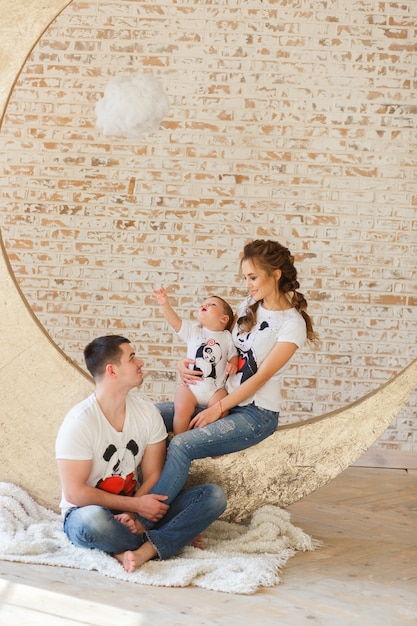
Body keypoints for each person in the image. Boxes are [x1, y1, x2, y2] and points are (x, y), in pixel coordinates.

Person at [138, 239, 317, 531]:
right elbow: (219, 346)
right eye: (245, 277)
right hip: (221, 399)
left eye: (253, 277)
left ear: (276, 274)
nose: (247, 285)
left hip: (255, 414)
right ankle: (121, 496)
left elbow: (260, 377)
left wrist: (217, 408)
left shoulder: (291, 324)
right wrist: (183, 364)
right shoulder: (250, 305)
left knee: (182, 445)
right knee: (146, 415)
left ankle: (143, 520)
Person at [55, 335, 226, 573]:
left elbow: (153, 474)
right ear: (112, 370)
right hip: (87, 511)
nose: (141, 363)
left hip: (137, 511)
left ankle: (138, 550)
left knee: (212, 497)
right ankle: (163, 542)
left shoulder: (147, 413)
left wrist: (134, 514)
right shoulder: (80, 422)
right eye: (132, 358)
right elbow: (76, 492)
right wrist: (134, 505)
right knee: (91, 522)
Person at [152, 288, 239, 434]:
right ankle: (179, 438)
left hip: (215, 389)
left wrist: (234, 364)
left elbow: (233, 355)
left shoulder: (226, 337)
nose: (204, 305)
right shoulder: (194, 330)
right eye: (203, 304)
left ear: (224, 319)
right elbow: (175, 322)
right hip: (191, 388)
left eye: (212, 304)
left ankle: (214, 441)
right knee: (181, 407)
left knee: (223, 408)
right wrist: (165, 304)